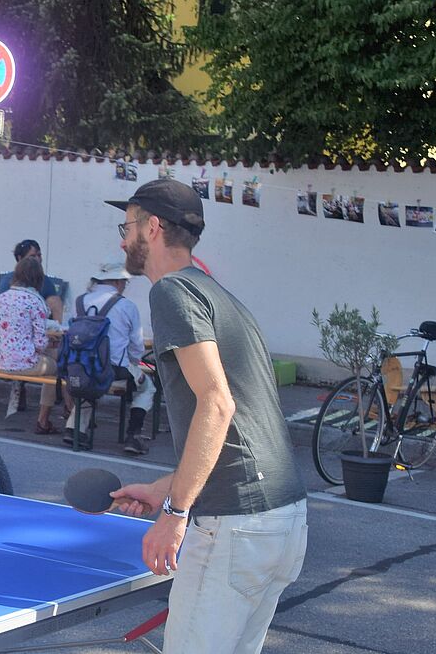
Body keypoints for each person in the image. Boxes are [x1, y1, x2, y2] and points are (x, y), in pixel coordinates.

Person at [106, 179, 307, 654]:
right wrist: (165, 490)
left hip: (235, 526)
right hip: (282, 520)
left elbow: (217, 404)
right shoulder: (218, 296)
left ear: (152, 228)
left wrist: (175, 515)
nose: (121, 239)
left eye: (127, 225)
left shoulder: (171, 293)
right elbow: (241, 429)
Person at [63, 261, 158, 454]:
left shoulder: (80, 301)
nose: (124, 286)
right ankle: (133, 435)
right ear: (116, 281)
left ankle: (75, 429)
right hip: (114, 369)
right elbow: (136, 347)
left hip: (80, 367)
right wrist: (134, 363)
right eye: (124, 282)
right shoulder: (126, 306)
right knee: (148, 387)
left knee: (89, 381)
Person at [0, 256, 66, 434]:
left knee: (48, 356)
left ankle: (29, 405)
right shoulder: (36, 301)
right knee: (57, 367)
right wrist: (51, 342)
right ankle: (44, 420)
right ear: (38, 278)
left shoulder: (2, 298)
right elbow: (39, 343)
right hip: (23, 364)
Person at [0, 239, 66, 321]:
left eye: (39, 255)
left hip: (39, 322)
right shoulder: (8, 280)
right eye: (32, 256)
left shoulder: (45, 280)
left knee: (55, 300)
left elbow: (54, 303)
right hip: (13, 323)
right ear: (20, 258)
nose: (37, 259)